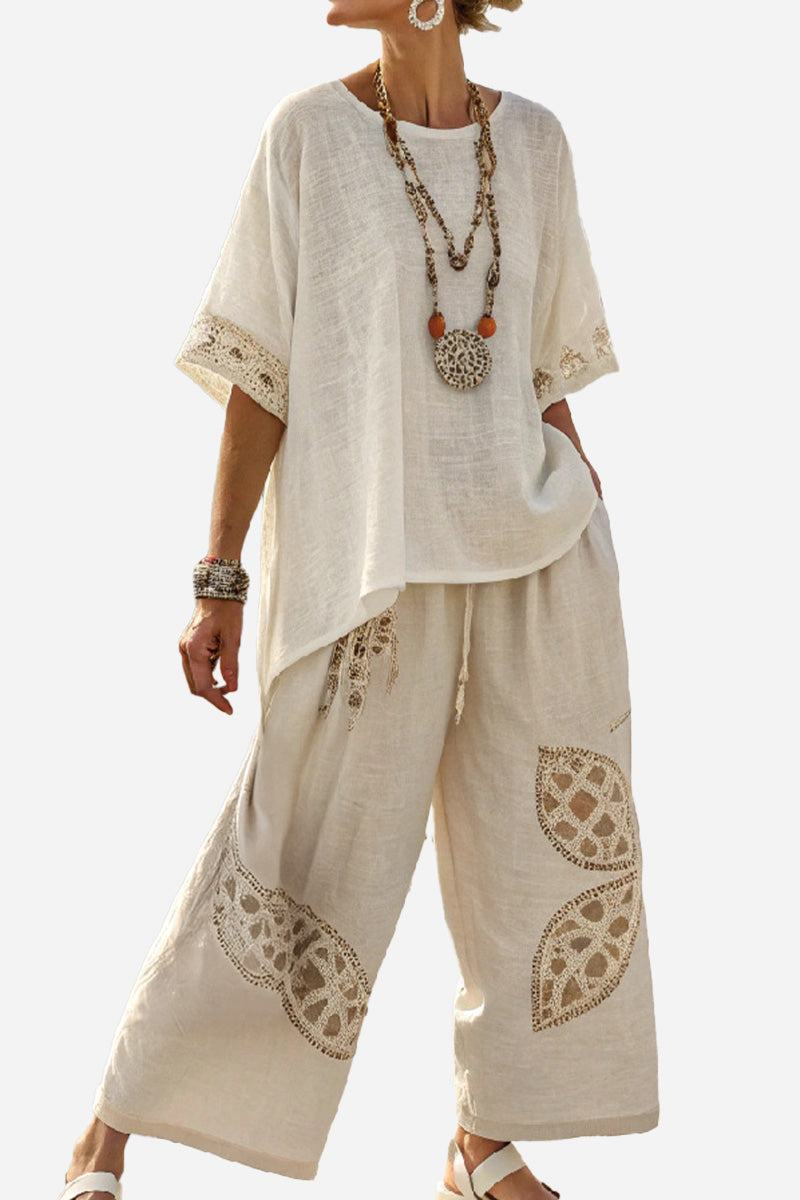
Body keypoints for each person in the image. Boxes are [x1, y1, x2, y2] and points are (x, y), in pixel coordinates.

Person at [60, 3, 659, 1198]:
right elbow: (260, 374)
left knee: (533, 855)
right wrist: (219, 576)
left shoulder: (534, 143)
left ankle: (480, 1146)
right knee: (296, 854)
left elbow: (543, 366)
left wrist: (581, 491)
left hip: (533, 557)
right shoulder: (309, 139)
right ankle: (108, 1129)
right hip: (370, 564)